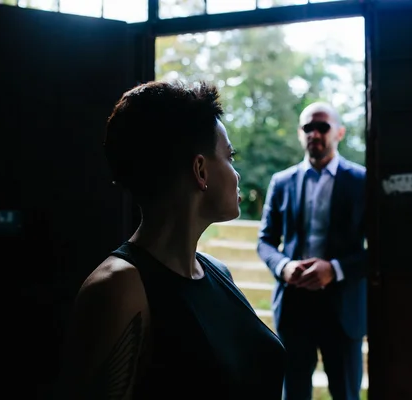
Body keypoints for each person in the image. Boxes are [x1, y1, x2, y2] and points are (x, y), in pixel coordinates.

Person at [55, 80, 286, 400]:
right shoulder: (118, 289)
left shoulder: (217, 272)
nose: (236, 174)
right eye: (229, 157)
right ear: (200, 171)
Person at [257, 102, 367, 400]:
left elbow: (381, 250)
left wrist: (335, 269)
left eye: (323, 126)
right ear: (299, 133)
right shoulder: (282, 182)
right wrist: (283, 267)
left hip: (343, 308)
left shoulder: (363, 182)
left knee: (346, 394)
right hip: (294, 307)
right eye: (308, 127)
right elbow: (265, 240)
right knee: (292, 393)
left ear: (339, 132)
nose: (314, 133)